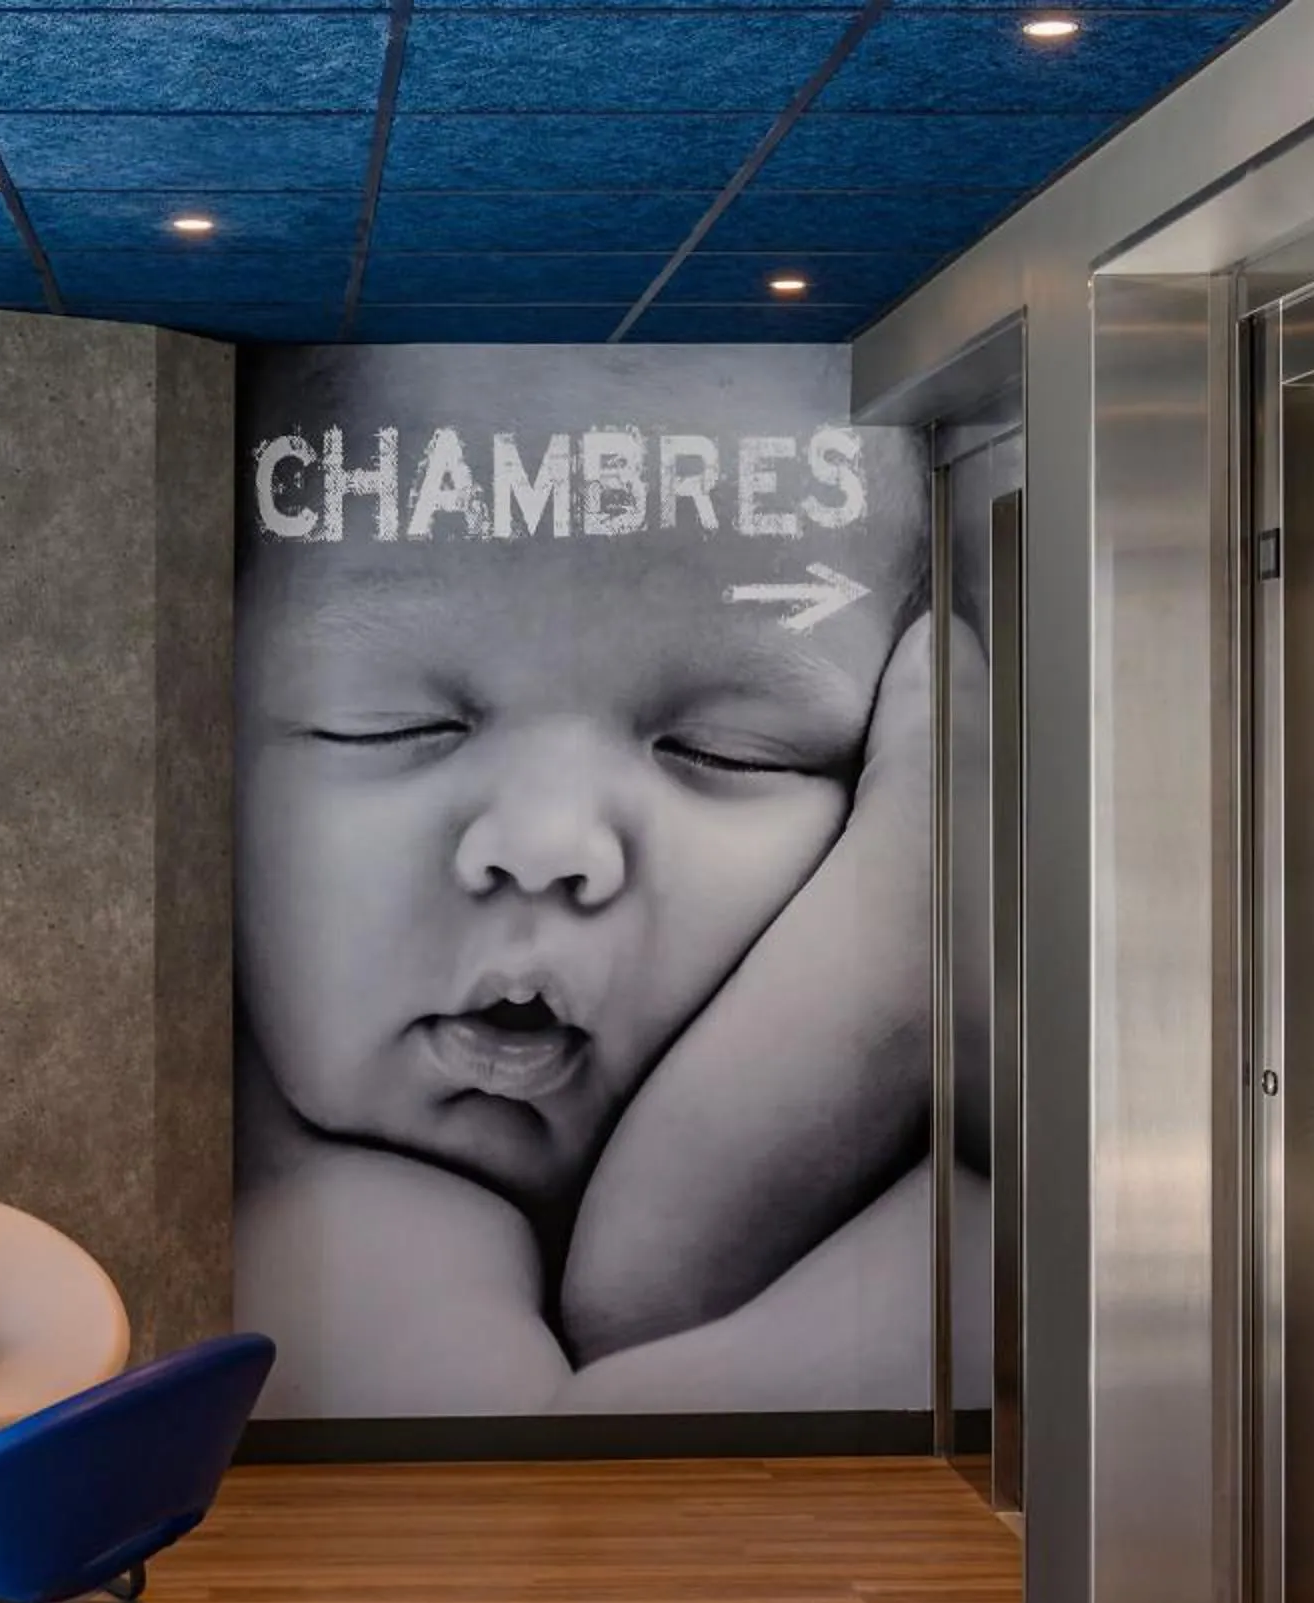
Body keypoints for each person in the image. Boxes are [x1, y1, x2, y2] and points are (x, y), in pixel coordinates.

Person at [232, 344, 950, 1418]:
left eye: (732, 751)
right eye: (387, 725)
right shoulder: (310, 1223)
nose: (546, 844)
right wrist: (902, 920)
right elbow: (530, 1524)